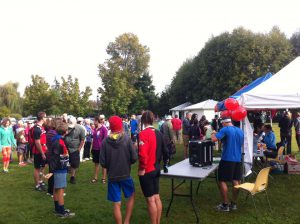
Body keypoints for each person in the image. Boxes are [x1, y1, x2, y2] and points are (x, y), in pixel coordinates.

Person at [100, 116, 137, 224]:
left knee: (116, 203)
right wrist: (127, 163)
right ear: (120, 126)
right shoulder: (126, 139)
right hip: (125, 174)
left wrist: (110, 165)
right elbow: (134, 157)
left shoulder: (105, 142)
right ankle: (127, 221)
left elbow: (103, 162)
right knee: (131, 196)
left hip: (112, 176)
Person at [138, 110, 169, 224]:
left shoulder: (143, 134)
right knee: (156, 197)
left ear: (143, 120)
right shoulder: (159, 133)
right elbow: (166, 152)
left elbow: (142, 154)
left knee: (151, 200)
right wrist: (164, 164)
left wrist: (142, 168)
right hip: (156, 169)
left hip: (147, 170)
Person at [211, 117, 244, 212]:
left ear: (224, 123)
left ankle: (225, 204)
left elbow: (213, 139)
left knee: (222, 180)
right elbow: (241, 144)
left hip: (227, 159)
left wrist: (213, 132)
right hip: (238, 159)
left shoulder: (225, 129)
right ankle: (233, 203)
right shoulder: (240, 130)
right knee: (236, 181)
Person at [48, 121, 75, 217]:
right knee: (60, 190)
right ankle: (62, 211)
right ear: (66, 131)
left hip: (57, 168)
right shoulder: (59, 141)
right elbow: (55, 157)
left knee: (56, 189)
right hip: (59, 169)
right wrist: (52, 171)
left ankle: (57, 209)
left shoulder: (55, 139)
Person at [64, 116, 86, 184]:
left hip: (75, 149)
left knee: (74, 164)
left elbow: (82, 140)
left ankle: (72, 177)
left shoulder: (80, 128)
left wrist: (79, 149)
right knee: (64, 163)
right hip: (65, 149)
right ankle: (63, 176)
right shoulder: (65, 127)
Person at [32, 112, 48, 191]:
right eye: (45, 117)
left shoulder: (41, 127)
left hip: (43, 150)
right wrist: (42, 153)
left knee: (43, 166)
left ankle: (41, 181)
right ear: (42, 118)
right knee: (37, 168)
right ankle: (37, 185)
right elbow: (37, 142)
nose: (46, 118)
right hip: (38, 152)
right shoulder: (37, 129)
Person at [91, 115, 108, 184]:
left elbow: (105, 140)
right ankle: (95, 177)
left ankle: (103, 178)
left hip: (102, 149)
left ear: (98, 121)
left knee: (103, 164)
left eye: (94, 121)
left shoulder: (104, 129)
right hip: (95, 149)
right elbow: (94, 138)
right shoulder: (94, 128)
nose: (93, 122)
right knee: (96, 164)